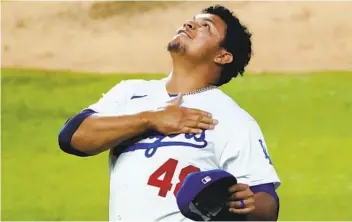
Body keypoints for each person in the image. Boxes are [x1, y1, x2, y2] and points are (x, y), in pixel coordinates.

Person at [58, 4, 280, 221]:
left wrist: (245, 206)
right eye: (193, 19)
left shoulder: (232, 118)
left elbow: (267, 202)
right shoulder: (130, 93)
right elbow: (72, 137)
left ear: (222, 56)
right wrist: (151, 119)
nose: (190, 24)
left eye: (206, 26)